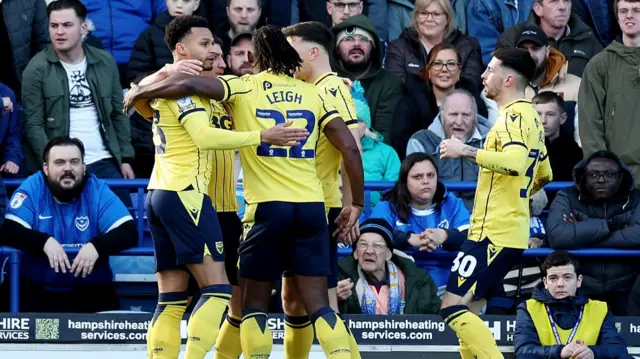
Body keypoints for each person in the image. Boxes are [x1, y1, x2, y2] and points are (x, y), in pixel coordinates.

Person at [124, 24, 365, 359]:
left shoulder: (239, 90)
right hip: (289, 204)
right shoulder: (309, 92)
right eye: (208, 47)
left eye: (220, 52)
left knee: (243, 305)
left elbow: (180, 91)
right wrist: (356, 203)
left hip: (242, 208)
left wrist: (139, 91)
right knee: (313, 306)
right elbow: (351, 147)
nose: (218, 58)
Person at [438, 47, 553, 359]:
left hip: (493, 233)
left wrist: (466, 151)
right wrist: (516, 196)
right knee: (470, 311)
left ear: (508, 78)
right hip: (507, 230)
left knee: (451, 307)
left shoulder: (515, 114)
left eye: (491, 69)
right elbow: (543, 173)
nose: (484, 75)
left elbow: (515, 163)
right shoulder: (531, 117)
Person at [281, 20, 362, 359]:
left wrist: (351, 206)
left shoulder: (331, 88)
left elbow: (352, 141)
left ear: (312, 52)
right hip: (303, 201)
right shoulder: (312, 87)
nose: (284, 58)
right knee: (294, 300)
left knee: (324, 302)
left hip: (322, 205)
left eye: (290, 50)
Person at [1, 136, 137, 312]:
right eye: (59, 162)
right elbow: (9, 229)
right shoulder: (33, 185)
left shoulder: (96, 188)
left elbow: (128, 231)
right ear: (46, 168)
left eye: (74, 162)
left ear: (83, 167)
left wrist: (96, 246)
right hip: (35, 288)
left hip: (89, 289)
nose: (67, 168)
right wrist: (44, 242)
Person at [22, 0, 135, 207]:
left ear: (83, 28)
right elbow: (33, 125)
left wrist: (125, 158)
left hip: (103, 159)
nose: (59, 32)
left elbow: (118, 114)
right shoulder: (36, 69)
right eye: (54, 26)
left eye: (67, 25)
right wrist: (52, 163)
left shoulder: (105, 62)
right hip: (60, 165)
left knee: (125, 225)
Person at [546, 150, 640, 316]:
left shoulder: (637, 198)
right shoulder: (567, 196)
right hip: (581, 285)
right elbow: (558, 236)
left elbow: (637, 235)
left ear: (620, 177)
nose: (601, 180)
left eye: (609, 174)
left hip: (628, 284)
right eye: (594, 174)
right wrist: (611, 226)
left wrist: (583, 234)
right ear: (584, 177)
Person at [367, 152, 470, 296]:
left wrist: (445, 235)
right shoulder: (388, 205)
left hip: (448, 287)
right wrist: (408, 238)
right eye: (417, 177)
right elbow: (371, 236)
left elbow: (470, 238)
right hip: (399, 288)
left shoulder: (453, 204)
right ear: (405, 181)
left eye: (430, 175)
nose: (426, 181)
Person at [514, 250, 629, 358]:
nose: (560, 284)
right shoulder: (528, 308)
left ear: (579, 281)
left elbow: (617, 349)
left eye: (567, 277)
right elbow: (523, 351)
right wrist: (560, 351)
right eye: (553, 278)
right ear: (545, 282)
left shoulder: (599, 309)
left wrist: (593, 353)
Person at [578, 0, 640, 186]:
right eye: (623, 11)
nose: (629, 15)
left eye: (636, 10)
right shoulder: (599, 65)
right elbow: (590, 123)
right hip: (619, 178)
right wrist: (602, 172)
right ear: (617, 17)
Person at [406, 89, 491, 211]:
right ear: (442, 115)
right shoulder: (421, 142)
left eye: (466, 115)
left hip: (483, 216)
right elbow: (417, 190)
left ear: (475, 117)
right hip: (439, 215)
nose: (459, 121)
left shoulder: (492, 140)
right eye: (453, 114)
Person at [336, 218, 442, 315]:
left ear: (388, 254)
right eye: (363, 244)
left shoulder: (418, 280)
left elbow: (436, 320)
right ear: (355, 253)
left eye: (377, 246)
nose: (369, 251)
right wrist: (333, 299)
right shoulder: (339, 277)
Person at [330, 14, 404, 143]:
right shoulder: (326, 80)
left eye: (364, 39)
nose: (357, 44)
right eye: (348, 39)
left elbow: (383, 135)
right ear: (336, 48)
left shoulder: (389, 83)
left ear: (373, 47)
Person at [385, 0, 483, 90]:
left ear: (447, 18)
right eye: (424, 13)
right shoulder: (398, 48)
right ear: (416, 17)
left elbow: (470, 88)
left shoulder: (467, 47)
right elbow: (396, 90)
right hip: (412, 108)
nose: (429, 19)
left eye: (436, 14)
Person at [496, 0, 602, 78]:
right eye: (554, 1)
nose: (562, 7)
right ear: (538, 9)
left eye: (566, 1)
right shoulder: (512, 39)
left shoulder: (588, 39)